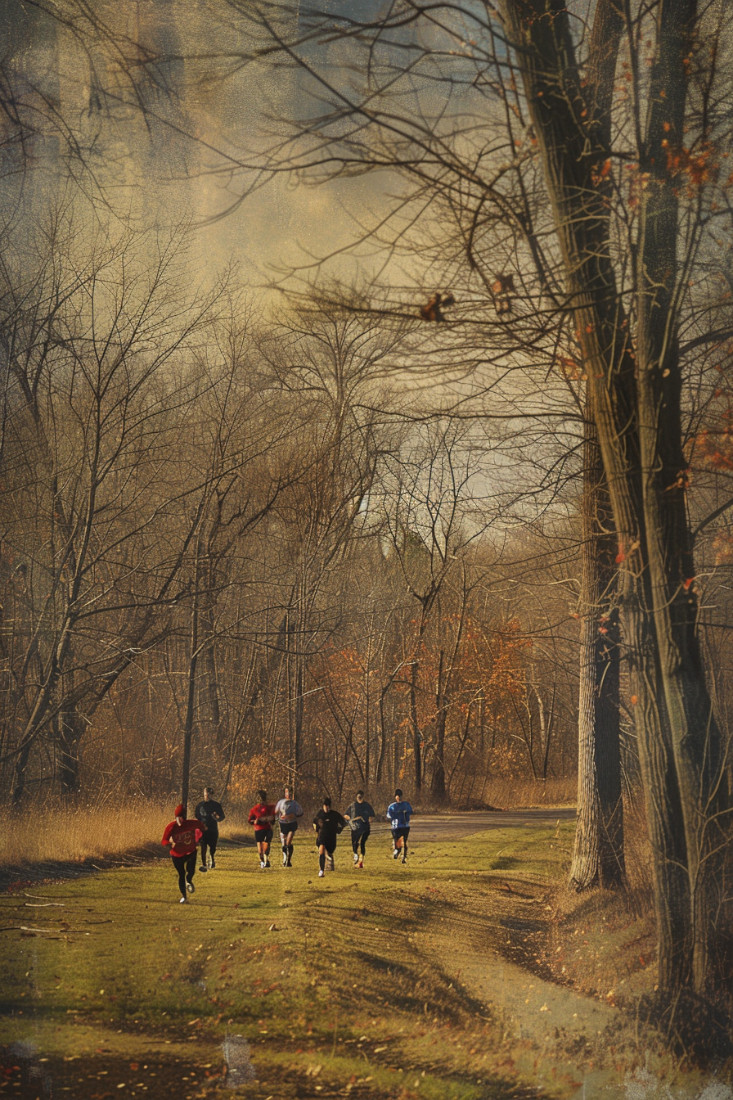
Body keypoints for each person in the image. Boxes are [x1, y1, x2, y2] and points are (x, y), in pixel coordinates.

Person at [162, 804, 204, 903]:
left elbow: (201, 826)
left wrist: (201, 838)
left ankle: (189, 881)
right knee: (181, 874)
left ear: (184, 817)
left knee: (191, 871)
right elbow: (163, 840)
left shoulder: (191, 824)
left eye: (181, 818)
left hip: (190, 852)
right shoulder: (171, 827)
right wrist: (170, 844)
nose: (179, 821)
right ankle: (184, 897)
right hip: (177, 855)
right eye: (177, 818)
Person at [312, 797, 346, 877]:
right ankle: (321, 870)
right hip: (322, 836)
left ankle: (329, 860)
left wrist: (339, 829)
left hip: (331, 837)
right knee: (321, 850)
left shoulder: (334, 814)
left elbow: (343, 822)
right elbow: (314, 822)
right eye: (325, 806)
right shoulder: (320, 814)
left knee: (330, 851)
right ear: (323, 806)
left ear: (330, 807)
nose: (326, 808)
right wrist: (316, 830)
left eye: (328, 806)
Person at [195, 786, 225, 871]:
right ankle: (204, 864)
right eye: (206, 793)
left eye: (210, 793)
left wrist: (216, 817)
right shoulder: (199, 805)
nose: (207, 795)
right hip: (203, 830)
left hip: (213, 830)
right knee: (203, 847)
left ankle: (212, 858)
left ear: (212, 795)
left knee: (212, 848)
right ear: (204, 793)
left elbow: (222, 817)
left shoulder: (216, 805)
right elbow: (197, 816)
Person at [343, 789, 376, 868]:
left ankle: (361, 860)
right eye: (358, 797)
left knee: (362, 843)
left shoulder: (367, 806)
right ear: (356, 797)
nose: (359, 798)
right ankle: (355, 855)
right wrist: (349, 818)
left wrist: (369, 820)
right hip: (355, 828)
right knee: (354, 843)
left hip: (365, 827)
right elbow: (345, 815)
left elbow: (372, 816)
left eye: (360, 797)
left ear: (363, 797)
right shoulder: (352, 806)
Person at [274, 785, 303, 867]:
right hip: (283, 824)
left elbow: (300, 812)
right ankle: (285, 860)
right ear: (285, 793)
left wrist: (293, 815)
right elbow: (275, 812)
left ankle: (288, 860)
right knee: (284, 844)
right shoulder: (281, 802)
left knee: (288, 842)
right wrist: (278, 817)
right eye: (287, 792)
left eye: (290, 793)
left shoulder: (295, 804)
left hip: (292, 824)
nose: (289, 794)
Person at [248, 789, 276, 869]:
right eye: (259, 798)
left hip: (268, 829)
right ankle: (262, 861)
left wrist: (270, 819)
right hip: (258, 829)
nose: (261, 799)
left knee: (266, 844)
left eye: (262, 797)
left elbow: (274, 818)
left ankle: (266, 860)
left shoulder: (270, 807)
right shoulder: (254, 809)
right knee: (260, 850)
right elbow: (250, 820)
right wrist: (255, 821)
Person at [386, 788, 413, 864]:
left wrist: (405, 813)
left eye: (400, 796)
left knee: (404, 841)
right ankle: (397, 851)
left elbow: (410, 811)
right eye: (397, 797)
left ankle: (403, 857)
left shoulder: (406, 805)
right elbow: (388, 815)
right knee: (397, 841)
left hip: (405, 826)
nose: (399, 798)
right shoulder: (392, 806)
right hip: (396, 827)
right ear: (395, 797)